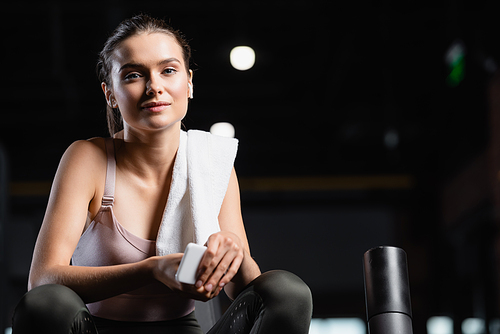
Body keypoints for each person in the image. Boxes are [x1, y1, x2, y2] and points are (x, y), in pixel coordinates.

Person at [12, 14, 313, 334]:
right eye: (133, 75)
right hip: (96, 329)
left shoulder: (212, 160)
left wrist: (234, 254)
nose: (154, 86)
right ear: (110, 94)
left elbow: (244, 291)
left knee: (286, 291)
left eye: (168, 70)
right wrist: (153, 269)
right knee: (46, 303)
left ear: (189, 83)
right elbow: (42, 280)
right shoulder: (89, 159)